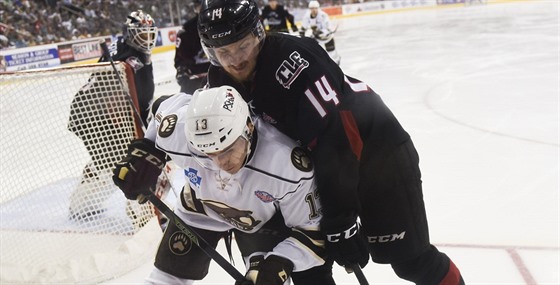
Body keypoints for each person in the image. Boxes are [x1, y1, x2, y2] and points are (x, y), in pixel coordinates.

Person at [197, 0, 465, 284]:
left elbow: (336, 138)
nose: (235, 59)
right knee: (309, 273)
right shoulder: (220, 83)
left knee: (410, 262)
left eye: (243, 46)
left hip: (378, 157)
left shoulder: (294, 63)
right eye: (224, 51)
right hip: (319, 174)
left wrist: (342, 220)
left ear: (259, 34)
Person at [112, 86, 336, 285]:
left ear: (248, 127)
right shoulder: (179, 131)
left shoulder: (287, 164)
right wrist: (145, 152)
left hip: (261, 222)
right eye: (207, 153)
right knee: (165, 279)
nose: (220, 163)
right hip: (199, 209)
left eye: (228, 149)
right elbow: (164, 107)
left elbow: (312, 232)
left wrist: (280, 263)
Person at [67, 10, 158, 222]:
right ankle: (139, 214)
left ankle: (82, 206)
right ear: (129, 34)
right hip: (92, 117)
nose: (147, 40)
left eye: (149, 35)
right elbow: (113, 101)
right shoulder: (129, 58)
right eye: (141, 35)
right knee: (123, 162)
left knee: (109, 162)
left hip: (94, 114)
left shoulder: (126, 50)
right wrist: (137, 130)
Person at [174, 0, 211, 94]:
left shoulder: (222, 24)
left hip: (219, 75)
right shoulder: (186, 31)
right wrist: (183, 70)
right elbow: (180, 59)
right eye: (198, 5)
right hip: (195, 80)